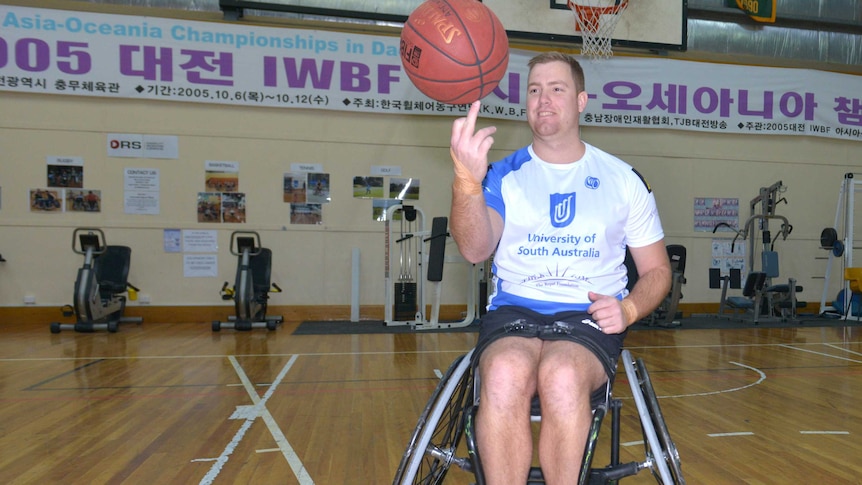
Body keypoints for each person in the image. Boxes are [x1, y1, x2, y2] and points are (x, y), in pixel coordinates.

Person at [448, 51, 671, 484]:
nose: (543, 99)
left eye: (556, 89)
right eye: (534, 90)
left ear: (581, 100)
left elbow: (658, 271)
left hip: (586, 316)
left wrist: (628, 310)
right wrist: (466, 182)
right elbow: (475, 249)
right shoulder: (502, 175)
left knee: (563, 375)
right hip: (515, 310)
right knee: (504, 372)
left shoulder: (622, 179)